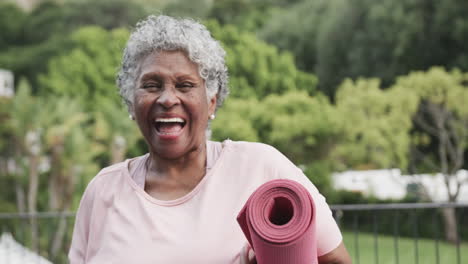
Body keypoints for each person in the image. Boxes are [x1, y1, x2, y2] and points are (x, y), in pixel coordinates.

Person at [69, 15, 351, 264]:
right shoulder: (103, 191)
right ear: (132, 103)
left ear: (212, 103)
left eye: (185, 85)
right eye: (151, 85)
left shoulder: (261, 168)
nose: (167, 99)